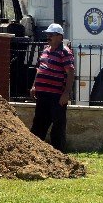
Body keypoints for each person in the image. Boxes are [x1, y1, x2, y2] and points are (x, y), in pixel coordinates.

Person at [29, 23, 74, 151]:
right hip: (42, 95)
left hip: (56, 96)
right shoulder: (45, 50)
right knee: (38, 124)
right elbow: (39, 69)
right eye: (47, 35)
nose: (48, 37)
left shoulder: (65, 52)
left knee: (58, 126)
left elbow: (70, 72)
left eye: (51, 35)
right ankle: (35, 152)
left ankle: (58, 153)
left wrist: (66, 93)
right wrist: (34, 86)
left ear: (59, 37)